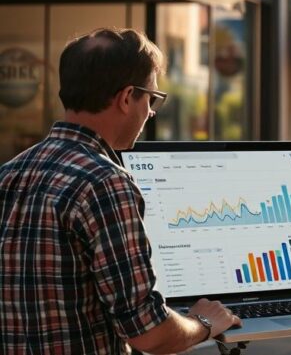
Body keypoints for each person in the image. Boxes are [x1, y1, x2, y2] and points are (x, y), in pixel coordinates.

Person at [0, 28, 240, 354]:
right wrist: (204, 323)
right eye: (151, 98)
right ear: (127, 98)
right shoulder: (105, 183)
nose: (151, 112)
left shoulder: (9, 173)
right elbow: (149, 333)